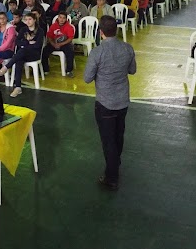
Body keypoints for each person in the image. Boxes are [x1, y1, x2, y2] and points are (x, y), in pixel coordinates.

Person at [83, 15, 137, 190]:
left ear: (101, 32)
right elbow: (133, 70)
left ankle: (111, 177)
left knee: (108, 141)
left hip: (105, 103)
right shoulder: (127, 48)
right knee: (118, 135)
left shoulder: (97, 52)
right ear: (116, 29)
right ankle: (115, 164)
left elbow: (87, 78)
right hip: (122, 101)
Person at [0, 12, 45, 98]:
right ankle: (18, 87)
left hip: (34, 54)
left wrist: (25, 44)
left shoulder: (40, 31)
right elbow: (17, 42)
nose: (28, 21)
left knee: (22, 51)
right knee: (19, 59)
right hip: (23, 53)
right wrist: (28, 42)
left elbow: (38, 45)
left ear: (34, 20)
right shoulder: (23, 29)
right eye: (26, 20)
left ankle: (6, 67)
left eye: (30, 19)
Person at [42, 11, 75, 77]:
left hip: (65, 43)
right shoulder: (53, 26)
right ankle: (45, 70)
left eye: (63, 18)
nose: (62, 19)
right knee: (44, 51)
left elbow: (70, 38)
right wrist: (53, 43)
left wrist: (61, 44)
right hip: (54, 43)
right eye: (60, 17)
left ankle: (69, 71)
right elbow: (49, 36)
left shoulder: (69, 27)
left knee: (70, 51)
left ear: (66, 19)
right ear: (58, 18)